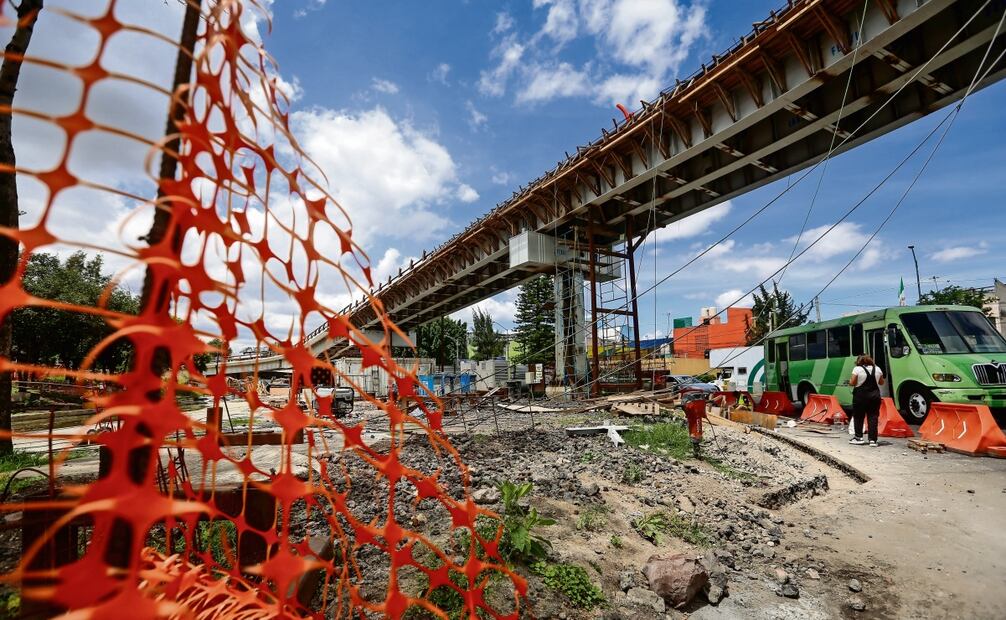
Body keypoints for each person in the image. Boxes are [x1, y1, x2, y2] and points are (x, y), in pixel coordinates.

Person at [848, 354, 885, 446]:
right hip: (875, 396)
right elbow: (881, 382)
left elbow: (852, 383)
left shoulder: (857, 369)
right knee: (873, 416)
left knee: (859, 417)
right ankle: (873, 440)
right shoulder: (877, 369)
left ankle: (858, 438)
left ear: (859, 361)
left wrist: (851, 381)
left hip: (860, 396)